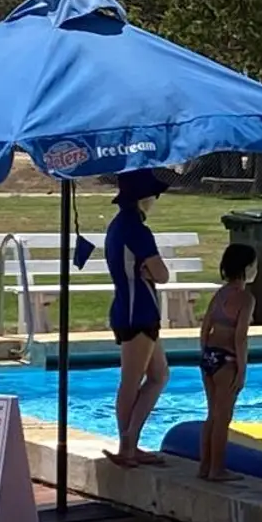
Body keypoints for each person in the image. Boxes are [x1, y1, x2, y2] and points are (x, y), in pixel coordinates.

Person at [105, 169, 171, 467]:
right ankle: (126, 445)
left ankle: (131, 440)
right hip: (138, 311)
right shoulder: (137, 230)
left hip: (129, 306)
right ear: (144, 197)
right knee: (132, 380)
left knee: (158, 375)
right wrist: (150, 271)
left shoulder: (117, 226)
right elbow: (162, 274)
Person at [194, 243, 258, 484]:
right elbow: (240, 337)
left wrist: (205, 353)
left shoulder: (220, 293)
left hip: (210, 356)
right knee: (224, 417)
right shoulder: (245, 298)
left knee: (212, 414)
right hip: (227, 360)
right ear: (246, 268)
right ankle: (217, 469)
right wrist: (242, 369)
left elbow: (205, 327)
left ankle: (204, 465)